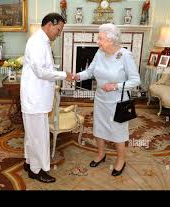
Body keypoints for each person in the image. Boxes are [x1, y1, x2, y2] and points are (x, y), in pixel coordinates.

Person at [72, 23, 140, 176]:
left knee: (118, 132)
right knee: (99, 128)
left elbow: (136, 81)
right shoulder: (100, 53)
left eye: (100, 38)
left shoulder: (125, 56)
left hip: (118, 102)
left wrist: (115, 86)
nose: (97, 41)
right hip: (101, 99)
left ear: (111, 40)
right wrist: (77, 76)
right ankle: (101, 154)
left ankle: (121, 159)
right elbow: (90, 72)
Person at [20, 13, 72, 183]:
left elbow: (45, 68)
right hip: (35, 98)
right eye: (58, 29)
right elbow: (41, 71)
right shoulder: (37, 42)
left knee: (32, 134)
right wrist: (65, 75)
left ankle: (29, 162)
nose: (59, 33)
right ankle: (36, 170)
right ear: (50, 24)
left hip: (37, 97)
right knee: (38, 136)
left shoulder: (42, 41)